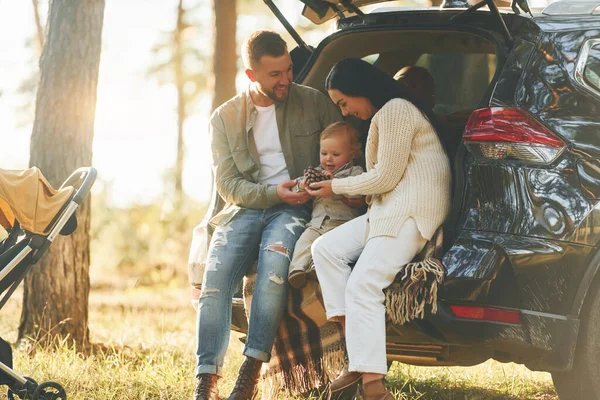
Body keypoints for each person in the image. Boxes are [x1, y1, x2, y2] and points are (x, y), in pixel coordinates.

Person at [192, 30, 341, 400]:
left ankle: (251, 369)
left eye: (289, 70)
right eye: (275, 74)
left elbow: (343, 152)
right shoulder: (224, 118)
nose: (286, 80)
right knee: (215, 281)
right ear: (251, 75)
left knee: (274, 269)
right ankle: (206, 379)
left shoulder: (314, 102)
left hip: (293, 210)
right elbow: (228, 184)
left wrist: (316, 184)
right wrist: (273, 192)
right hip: (245, 208)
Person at [307, 58, 451, 400]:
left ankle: (374, 387)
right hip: (388, 209)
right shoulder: (384, 116)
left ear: (361, 89)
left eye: (344, 102)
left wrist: (336, 188)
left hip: (411, 211)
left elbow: (386, 176)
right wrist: (347, 188)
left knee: (363, 285)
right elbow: (383, 183)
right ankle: (355, 349)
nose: (344, 112)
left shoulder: (396, 110)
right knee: (324, 250)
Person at [287, 121, 365, 289]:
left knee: (328, 251)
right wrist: (302, 185)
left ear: (352, 154)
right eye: (324, 153)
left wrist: (336, 184)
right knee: (303, 243)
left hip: (342, 224)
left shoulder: (355, 173)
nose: (328, 159)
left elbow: (360, 192)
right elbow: (297, 186)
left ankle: (316, 269)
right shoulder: (317, 171)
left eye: (336, 154)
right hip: (317, 224)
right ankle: (297, 271)